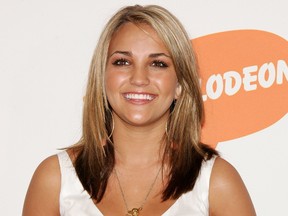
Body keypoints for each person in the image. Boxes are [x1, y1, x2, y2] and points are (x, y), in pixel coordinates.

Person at [22, 5, 256, 216]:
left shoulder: (216, 183)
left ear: (179, 85)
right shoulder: (55, 180)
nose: (139, 78)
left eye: (158, 64)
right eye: (122, 62)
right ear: (102, 78)